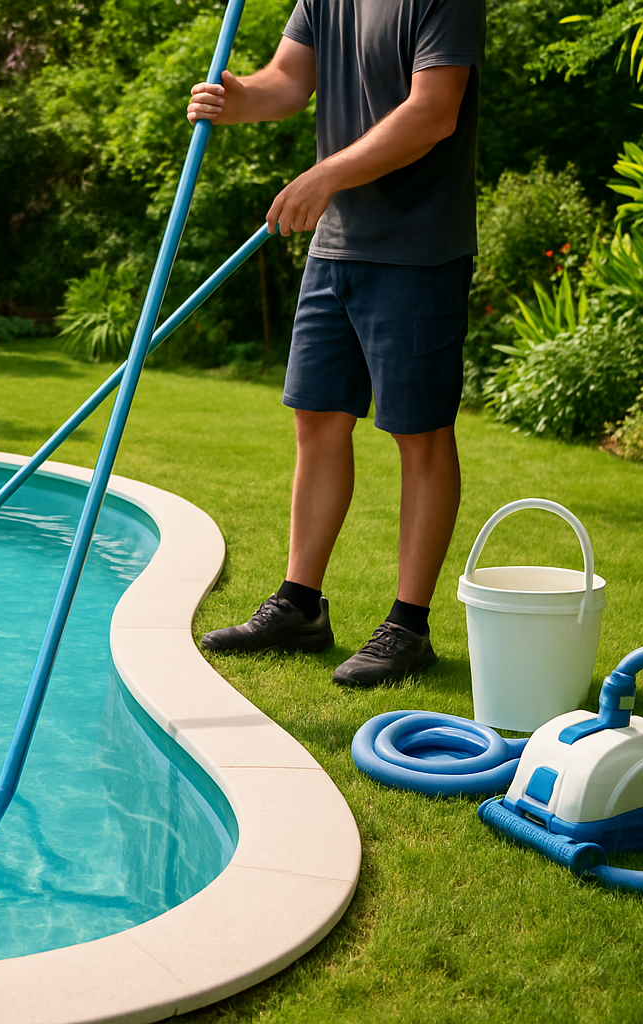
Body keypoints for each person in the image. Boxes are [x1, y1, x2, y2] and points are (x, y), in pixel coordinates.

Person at [187, 0, 486, 686]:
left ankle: (408, 626)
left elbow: (434, 112)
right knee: (317, 419)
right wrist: (237, 99)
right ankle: (300, 606)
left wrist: (325, 174)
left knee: (420, 434)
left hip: (419, 250)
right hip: (336, 248)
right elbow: (288, 81)